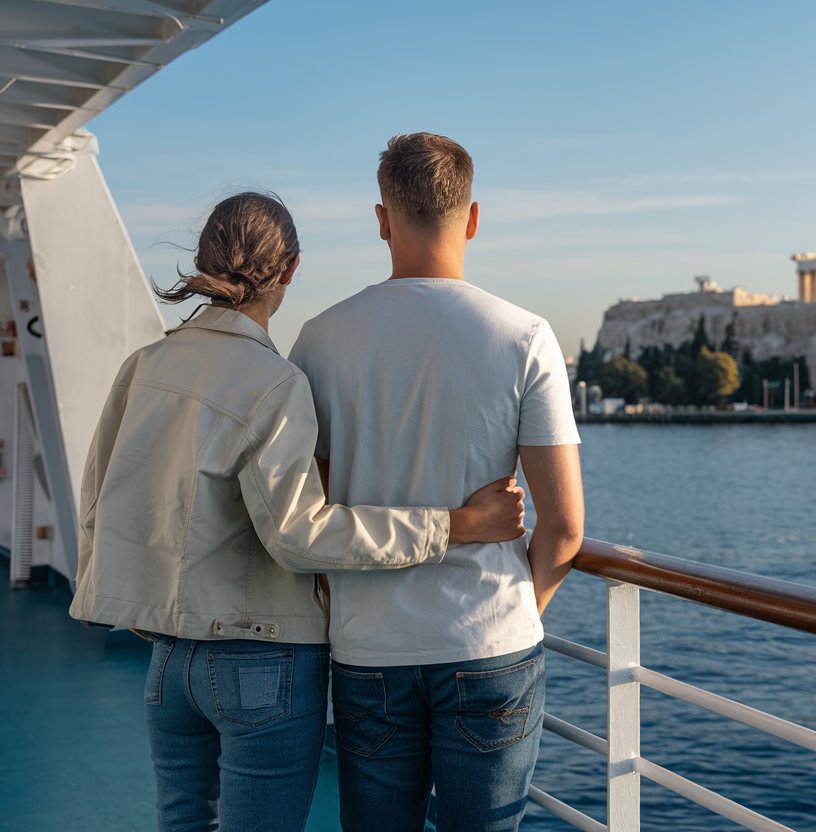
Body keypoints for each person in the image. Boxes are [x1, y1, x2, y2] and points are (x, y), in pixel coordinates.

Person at [69, 192, 526, 832]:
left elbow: (99, 495)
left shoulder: (141, 367)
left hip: (170, 664)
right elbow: (298, 535)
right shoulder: (272, 382)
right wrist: (456, 524)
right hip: (262, 660)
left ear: (204, 262)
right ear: (290, 270)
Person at [288, 133, 584, 832]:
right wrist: (515, 612)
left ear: (382, 219)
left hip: (370, 650)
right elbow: (565, 528)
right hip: (489, 645)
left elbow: (311, 514)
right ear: (473, 218)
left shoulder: (321, 338)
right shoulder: (525, 335)